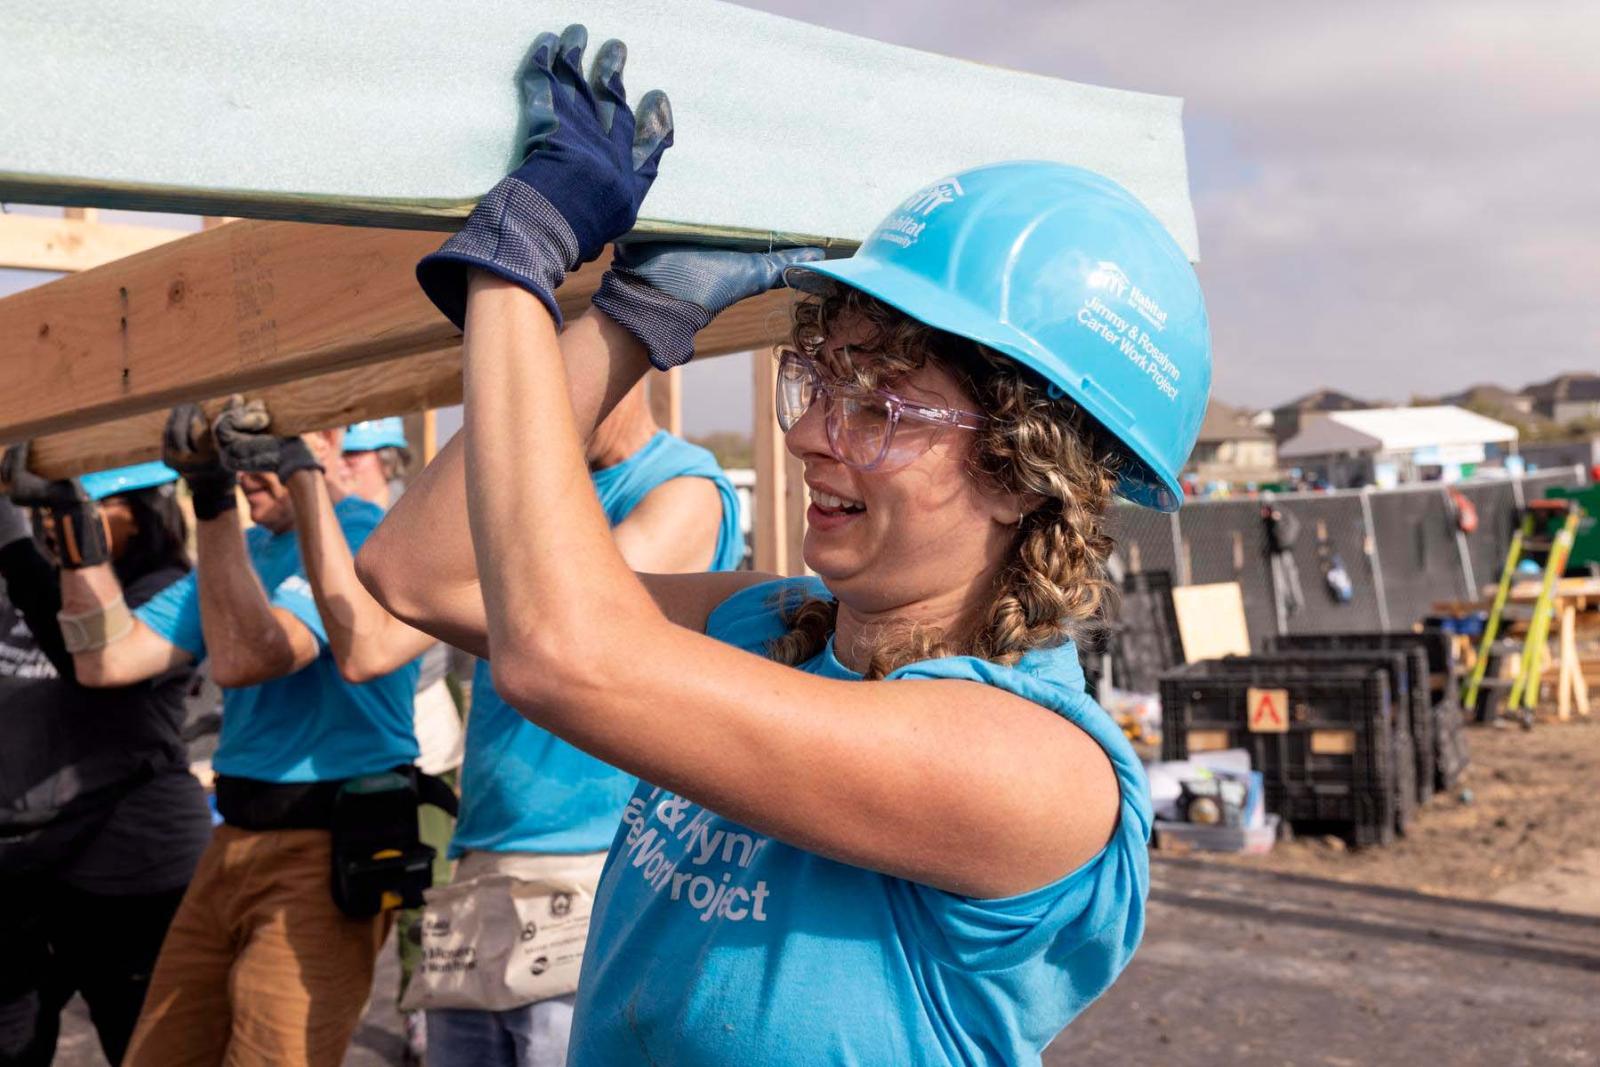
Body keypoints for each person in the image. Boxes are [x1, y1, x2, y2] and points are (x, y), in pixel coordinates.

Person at [358, 24, 1209, 1064]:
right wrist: (635, 313)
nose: (808, 433)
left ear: (1021, 470)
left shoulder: (1034, 769)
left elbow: (560, 653)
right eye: (824, 384)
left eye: (882, 406)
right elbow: (423, 569)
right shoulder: (763, 626)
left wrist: (515, 265)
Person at [60, 411, 422, 1067]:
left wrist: (210, 498)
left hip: (324, 850)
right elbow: (104, 658)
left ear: (326, 437)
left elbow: (248, 656)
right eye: (234, 453)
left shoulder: (364, 538)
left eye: (257, 450)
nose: (244, 470)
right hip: (233, 841)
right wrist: (70, 535)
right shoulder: (248, 550)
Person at [424, 379, 742, 1066]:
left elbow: (571, 625)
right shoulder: (538, 499)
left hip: (587, 863)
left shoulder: (682, 485)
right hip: (484, 854)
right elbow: (406, 584)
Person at [0, 458, 210, 1067]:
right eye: (52, 511)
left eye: (87, 511)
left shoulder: (171, 591)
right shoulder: (31, 582)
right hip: (27, 872)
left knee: (145, 1048)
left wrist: (18, 546)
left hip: (131, 873)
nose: (55, 525)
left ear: (144, 515)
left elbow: (95, 668)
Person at [337, 415, 463, 1065]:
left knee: (425, 891)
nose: (344, 467)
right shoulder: (333, 534)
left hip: (424, 741)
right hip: (359, 747)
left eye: (355, 457)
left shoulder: (409, 534)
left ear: (387, 460)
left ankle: (420, 1012)